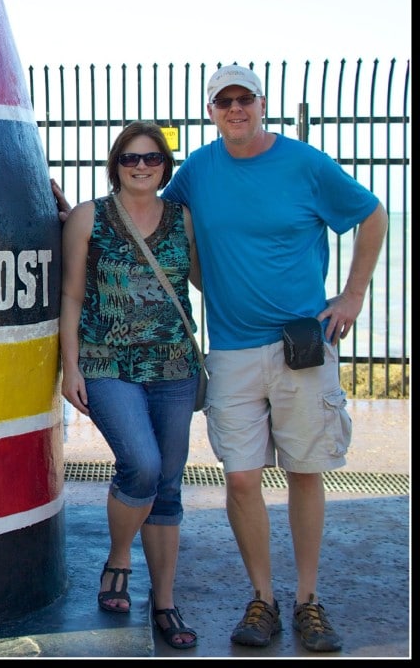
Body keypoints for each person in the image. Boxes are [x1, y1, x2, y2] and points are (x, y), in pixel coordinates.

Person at [54, 64, 388, 653]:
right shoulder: (200, 171)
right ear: (211, 110)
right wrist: (61, 212)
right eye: (223, 101)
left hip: (298, 344)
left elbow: (372, 214)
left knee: (304, 473)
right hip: (230, 349)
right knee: (235, 478)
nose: (235, 108)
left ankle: (307, 600)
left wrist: (355, 292)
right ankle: (261, 599)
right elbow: (132, 220)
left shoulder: (304, 163)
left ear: (262, 103)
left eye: (244, 98)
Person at [59, 121, 202, 650]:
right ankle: (119, 557)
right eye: (130, 159)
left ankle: (164, 601)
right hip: (106, 363)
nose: (141, 167)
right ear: (115, 164)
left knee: (168, 484)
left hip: (174, 368)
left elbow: (211, 277)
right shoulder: (88, 218)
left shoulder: (182, 219)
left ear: (166, 166)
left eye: (152, 159)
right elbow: (71, 296)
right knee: (140, 464)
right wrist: (69, 367)